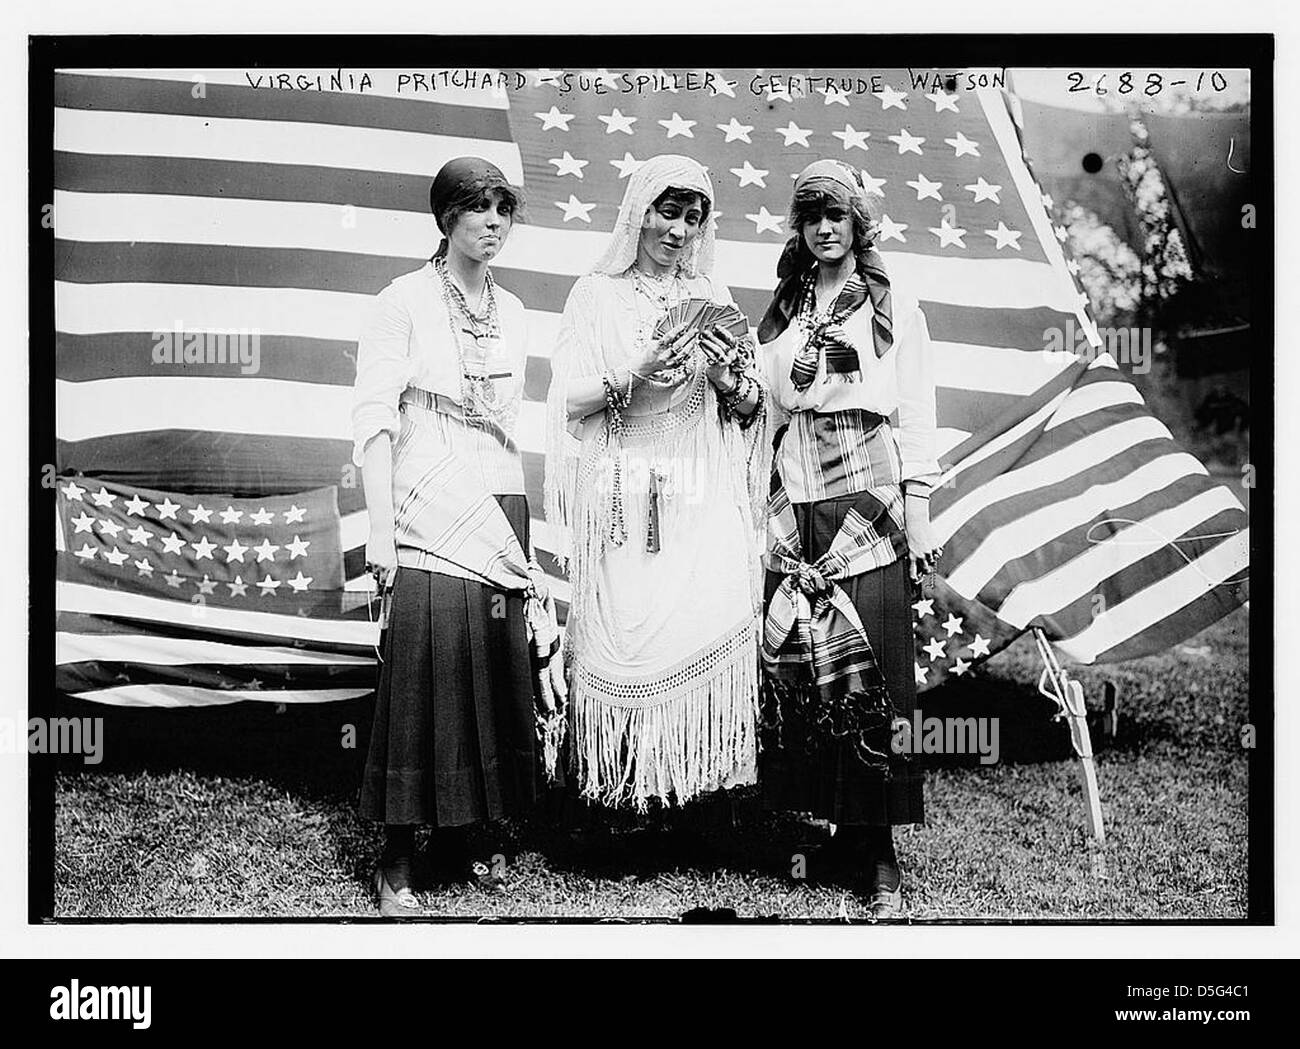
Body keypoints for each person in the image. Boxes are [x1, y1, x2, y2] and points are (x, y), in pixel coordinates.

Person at [352, 157, 566, 917]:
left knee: (487, 669)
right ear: (446, 217)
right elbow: (375, 419)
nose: (493, 221)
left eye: (504, 208)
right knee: (424, 674)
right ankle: (398, 856)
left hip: (497, 500)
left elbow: (516, 423)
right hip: (425, 497)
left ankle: (467, 835)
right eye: (478, 207)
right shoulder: (400, 301)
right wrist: (380, 527)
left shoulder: (515, 309)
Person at [544, 154, 768, 812]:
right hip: (623, 489)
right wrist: (633, 372)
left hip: (700, 486)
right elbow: (567, 402)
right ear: (639, 212)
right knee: (626, 633)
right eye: (668, 212)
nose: (678, 230)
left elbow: (752, 409)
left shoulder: (716, 301)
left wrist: (731, 381)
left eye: (693, 218)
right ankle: (619, 803)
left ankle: (690, 797)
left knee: (706, 614)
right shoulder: (595, 295)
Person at [756, 159, 942, 918]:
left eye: (837, 215)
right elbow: (771, 404)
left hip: (867, 502)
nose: (825, 228)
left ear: (858, 223)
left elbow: (916, 411)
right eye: (811, 216)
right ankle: (835, 830)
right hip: (797, 502)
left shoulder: (893, 305)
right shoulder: (785, 307)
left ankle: (881, 853)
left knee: (874, 679)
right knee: (814, 669)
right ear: (798, 228)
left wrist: (920, 516)